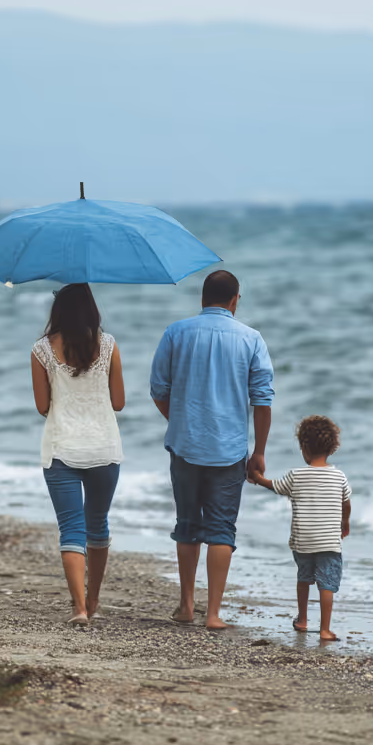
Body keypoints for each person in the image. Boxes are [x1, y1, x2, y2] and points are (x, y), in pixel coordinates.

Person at [149, 269, 274, 629]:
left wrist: (180, 422)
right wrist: (259, 451)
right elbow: (262, 400)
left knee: (187, 525)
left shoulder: (177, 332)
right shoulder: (251, 339)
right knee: (222, 529)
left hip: (185, 446)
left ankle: (187, 605)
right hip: (230, 449)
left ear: (202, 299)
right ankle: (214, 613)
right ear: (235, 300)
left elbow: (159, 389)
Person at [31, 283, 125, 625]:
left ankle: (79, 608)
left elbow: (43, 406)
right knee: (97, 524)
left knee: (71, 528)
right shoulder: (109, 345)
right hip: (103, 447)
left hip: (61, 449)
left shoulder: (41, 350)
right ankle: (95, 597)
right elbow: (118, 402)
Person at [248, 415, 352, 642]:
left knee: (304, 578)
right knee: (327, 584)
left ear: (304, 447)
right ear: (333, 447)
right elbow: (346, 503)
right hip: (329, 542)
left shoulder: (296, 476)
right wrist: (345, 523)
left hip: (303, 541)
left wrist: (257, 477)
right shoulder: (339, 476)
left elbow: (274, 486)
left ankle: (303, 620)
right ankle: (325, 629)